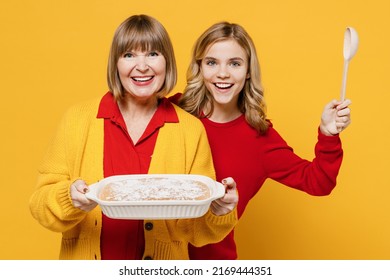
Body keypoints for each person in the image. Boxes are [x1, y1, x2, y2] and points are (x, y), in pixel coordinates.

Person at [29, 15, 238, 260]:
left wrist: (218, 210)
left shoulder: (189, 130)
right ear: (115, 64)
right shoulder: (77, 120)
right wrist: (70, 199)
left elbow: (195, 231)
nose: (142, 66)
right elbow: (40, 206)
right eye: (129, 55)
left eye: (152, 54)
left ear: (166, 62)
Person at [176, 21, 352, 259]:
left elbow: (318, 182)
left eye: (235, 63)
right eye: (211, 62)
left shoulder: (259, 137)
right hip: (151, 258)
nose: (223, 73)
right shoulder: (172, 112)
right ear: (200, 67)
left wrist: (328, 134)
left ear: (248, 71)